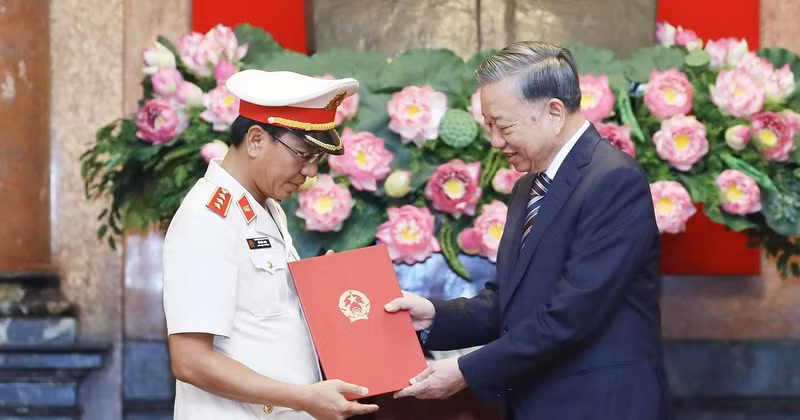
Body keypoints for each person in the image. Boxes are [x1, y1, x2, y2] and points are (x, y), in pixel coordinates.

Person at [386, 41, 672, 419]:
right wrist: (434, 316)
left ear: (554, 112)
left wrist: (466, 371)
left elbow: (573, 314)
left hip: (600, 405)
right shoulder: (529, 185)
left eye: (503, 126)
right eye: (489, 126)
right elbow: (512, 302)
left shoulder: (613, 180)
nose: (495, 142)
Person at [163, 69, 379, 420]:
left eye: (317, 159)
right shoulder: (209, 218)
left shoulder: (265, 208)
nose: (311, 172)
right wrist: (302, 398)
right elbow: (190, 360)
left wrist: (321, 289)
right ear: (256, 140)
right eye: (303, 154)